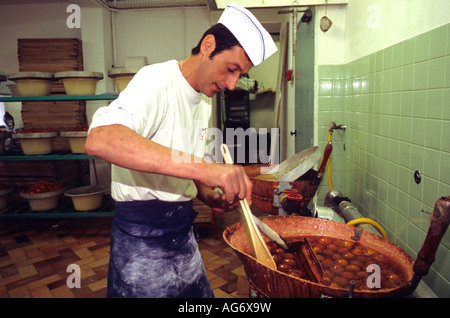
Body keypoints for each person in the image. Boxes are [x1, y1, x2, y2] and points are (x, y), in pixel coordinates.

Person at [84, 2, 277, 298]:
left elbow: (186, 165)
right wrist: (208, 169)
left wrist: (207, 194)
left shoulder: (203, 101)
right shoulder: (156, 81)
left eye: (240, 75)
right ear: (208, 45)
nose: (231, 83)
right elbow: (101, 138)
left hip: (183, 236)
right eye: (231, 69)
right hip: (141, 241)